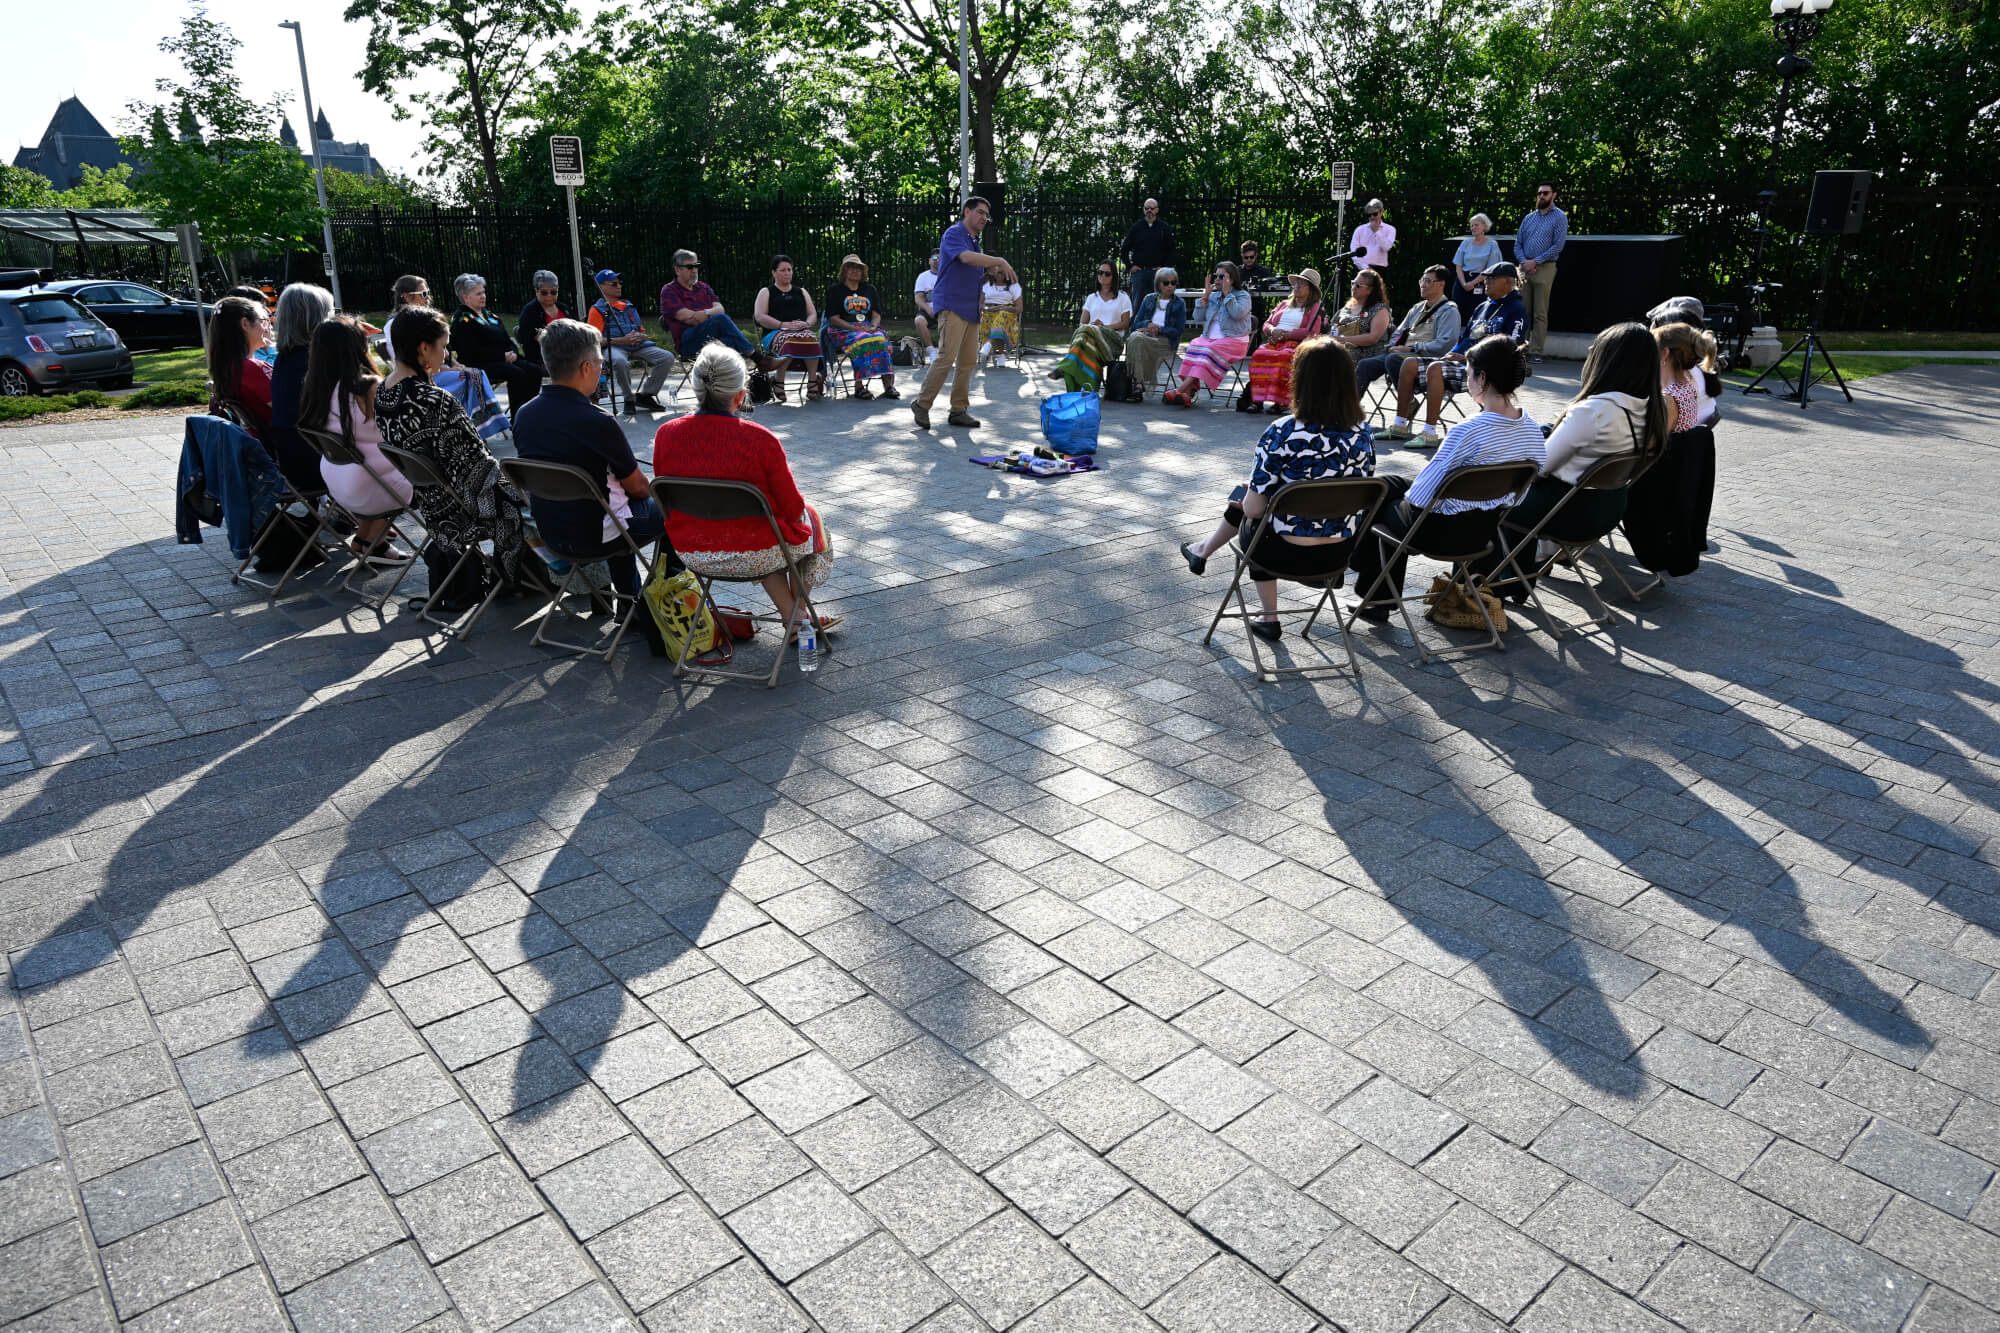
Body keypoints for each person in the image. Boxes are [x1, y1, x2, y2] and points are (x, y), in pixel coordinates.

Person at [1178, 337, 1376, 642]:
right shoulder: (1363, 433)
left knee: (1251, 508)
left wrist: (1260, 496)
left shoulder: (1283, 431)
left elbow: (1255, 510)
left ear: (1301, 380)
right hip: (1338, 555)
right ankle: (1202, 550)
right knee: (1260, 501)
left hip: (1282, 552)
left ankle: (1269, 616)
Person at [1350, 335, 1545, 621]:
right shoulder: (1531, 430)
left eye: (1468, 372)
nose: (1466, 378)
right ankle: (1372, 591)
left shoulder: (1469, 430)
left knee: (1381, 498)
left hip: (1439, 533)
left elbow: (1418, 497)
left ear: (1482, 377)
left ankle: (1373, 590)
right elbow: (1521, 495)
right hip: (1484, 528)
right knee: (1390, 484)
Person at [653, 344, 837, 637]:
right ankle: (800, 617)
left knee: (762, 529)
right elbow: (792, 508)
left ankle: (795, 619)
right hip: (755, 550)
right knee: (810, 520)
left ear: (695, 387)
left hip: (693, 550)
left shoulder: (666, 434)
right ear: (740, 395)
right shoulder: (759, 439)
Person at [513, 318, 669, 655]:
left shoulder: (525, 414)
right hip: (596, 534)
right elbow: (640, 488)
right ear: (586, 367)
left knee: (614, 508)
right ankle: (663, 599)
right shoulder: (597, 420)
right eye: (600, 363)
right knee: (670, 507)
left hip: (551, 532)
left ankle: (629, 605)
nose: (601, 369)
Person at [375, 305, 548, 609]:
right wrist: (525, 485)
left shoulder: (383, 394)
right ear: (423, 348)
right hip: (461, 507)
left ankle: (519, 580)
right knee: (536, 496)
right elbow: (479, 466)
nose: (446, 354)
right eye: (443, 347)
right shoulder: (435, 400)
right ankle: (512, 581)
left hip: (433, 505)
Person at [1479, 321, 1665, 600]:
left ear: (1611, 361)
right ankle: (1514, 579)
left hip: (1568, 513)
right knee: (1523, 481)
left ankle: (1480, 586)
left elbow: (1539, 468)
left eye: (1598, 347)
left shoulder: (1595, 411)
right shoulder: (1654, 408)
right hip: (1609, 508)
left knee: (1485, 497)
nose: (1590, 349)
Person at [298, 315, 414, 567]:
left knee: (381, 469)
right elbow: (398, 430)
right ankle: (377, 545)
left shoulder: (315, 384)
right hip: (374, 482)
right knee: (422, 472)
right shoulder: (367, 386)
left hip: (337, 480)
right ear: (355, 347)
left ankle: (364, 540)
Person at [1381, 262, 1527, 443]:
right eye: (1486, 278)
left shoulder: (1516, 310)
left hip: (1485, 370)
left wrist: (1468, 357)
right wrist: (1452, 354)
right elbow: (1464, 339)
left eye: (1491, 278)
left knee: (1436, 368)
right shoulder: (1482, 307)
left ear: (1508, 281)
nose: (1485, 282)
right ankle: (1400, 425)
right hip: (1462, 362)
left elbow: (1510, 349)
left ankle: (1429, 433)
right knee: (1408, 363)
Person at [913, 195, 1018, 431]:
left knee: (968, 361)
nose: (984, 218)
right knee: (946, 357)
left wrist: (987, 276)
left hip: (970, 309)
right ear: (966, 211)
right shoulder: (954, 234)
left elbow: (970, 268)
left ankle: (958, 410)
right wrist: (999, 260)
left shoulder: (973, 241)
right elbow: (965, 258)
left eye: (986, 215)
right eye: (980, 212)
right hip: (952, 305)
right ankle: (921, 404)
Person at [267, 282, 335, 492]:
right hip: (322, 463)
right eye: (330, 314)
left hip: (292, 461)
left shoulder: (284, 360)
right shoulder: (316, 362)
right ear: (317, 319)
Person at [1357, 265, 1462, 396]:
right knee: (1365, 365)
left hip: (1427, 359)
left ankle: (1408, 402)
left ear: (1441, 285)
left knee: (1393, 359)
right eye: (1422, 280)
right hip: (1401, 354)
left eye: (1428, 281)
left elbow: (1446, 343)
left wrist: (1412, 349)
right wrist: (1393, 346)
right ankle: (1350, 411)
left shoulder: (1449, 310)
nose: (1423, 285)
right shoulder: (1417, 308)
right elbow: (1398, 332)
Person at [449, 273, 543, 417]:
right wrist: (502, 356)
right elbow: (471, 351)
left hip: (503, 360)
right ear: (466, 297)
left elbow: (507, 340)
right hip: (479, 364)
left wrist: (513, 353)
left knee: (534, 370)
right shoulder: (462, 319)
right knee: (516, 374)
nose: (483, 296)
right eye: (478, 293)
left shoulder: (490, 316)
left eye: (483, 292)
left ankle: (530, 413)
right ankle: (518, 417)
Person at [1163, 261, 1253, 407]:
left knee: (1207, 350)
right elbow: (1197, 318)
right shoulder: (1213, 296)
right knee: (1193, 345)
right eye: (1215, 276)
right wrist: (1206, 295)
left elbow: (1237, 313)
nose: (1217, 279)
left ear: (1232, 279)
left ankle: (1179, 390)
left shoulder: (1243, 296)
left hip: (1234, 340)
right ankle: (1187, 393)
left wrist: (1227, 294)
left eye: (1221, 276)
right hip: (1210, 339)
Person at [659, 249, 767, 369]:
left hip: (712, 340)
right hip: (688, 344)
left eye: (696, 266)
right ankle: (758, 359)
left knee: (731, 340)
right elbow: (691, 319)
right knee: (721, 320)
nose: (694, 270)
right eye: (689, 267)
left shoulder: (703, 287)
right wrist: (711, 316)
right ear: (677, 269)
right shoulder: (669, 291)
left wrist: (705, 313)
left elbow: (720, 309)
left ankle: (746, 382)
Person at [587, 269, 676, 411]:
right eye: (614, 284)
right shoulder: (597, 310)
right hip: (615, 347)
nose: (619, 286)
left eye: (620, 283)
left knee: (667, 357)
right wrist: (621, 340)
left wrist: (641, 336)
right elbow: (594, 340)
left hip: (637, 345)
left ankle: (646, 395)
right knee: (620, 361)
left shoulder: (628, 306)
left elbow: (642, 331)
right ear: (601, 287)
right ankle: (629, 399)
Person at [1243, 268, 1326, 413]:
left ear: (1311, 289)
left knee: (1283, 358)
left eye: (1301, 284)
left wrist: (1287, 335)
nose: (1297, 287)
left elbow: (1312, 332)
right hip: (1275, 341)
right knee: (1258, 355)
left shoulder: (1314, 307)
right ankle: (1257, 400)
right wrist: (1273, 331)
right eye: (1296, 283)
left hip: (1296, 344)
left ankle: (1280, 402)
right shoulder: (1283, 304)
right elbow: (1266, 324)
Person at [823, 255, 898, 399]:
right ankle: (859, 386)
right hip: (842, 329)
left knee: (880, 338)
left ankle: (888, 384)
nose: (855, 271)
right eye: (850, 267)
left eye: (858, 268)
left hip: (867, 327)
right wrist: (856, 329)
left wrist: (873, 326)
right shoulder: (835, 290)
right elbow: (833, 318)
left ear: (863, 272)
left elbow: (876, 314)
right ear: (844, 271)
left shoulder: (869, 289)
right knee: (862, 339)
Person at [753, 254, 824, 402]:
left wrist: (806, 324)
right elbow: (759, 316)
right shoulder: (766, 292)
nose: (787, 273)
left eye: (789, 270)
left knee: (811, 338)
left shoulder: (801, 292)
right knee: (789, 340)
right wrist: (782, 325)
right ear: (774, 272)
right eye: (782, 270)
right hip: (773, 333)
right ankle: (778, 381)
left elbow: (812, 314)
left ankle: (812, 381)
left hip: (801, 331)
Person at [1053, 262, 1132, 393]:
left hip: (1113, 341)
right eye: (1100, 273)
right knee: (1086, 331)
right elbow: (1082, 324)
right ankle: (1085, 388)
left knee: (1089, 330)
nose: (1103, 276)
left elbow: (1125, 323)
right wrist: (1094, 327)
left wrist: (1103, 327)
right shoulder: (1091, 298)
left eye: (1107, 274)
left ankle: (1065, 367)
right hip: (1092, 342)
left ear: (1114, 277)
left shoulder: (1122, 297)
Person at [208, 296, 273, 439]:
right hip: (284, 443)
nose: (269, 326)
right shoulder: (250, 368)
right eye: (264, 321)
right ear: (245, 324)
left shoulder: (230, 366)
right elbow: (288, 406)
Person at [1516, 182, 1567, 360]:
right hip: (1524, 269)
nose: (1541, 196)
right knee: (1522, 311)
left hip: (1545, 268)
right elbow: (1518, 244)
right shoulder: (1529, 218)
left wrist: (1536, 261)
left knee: (1540, 312)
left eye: (1545, 193)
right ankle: (1521, 349)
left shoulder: (1560, 217)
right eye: (1539, 193)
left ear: (1554, 195)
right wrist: (1524, 261)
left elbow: (1557, 246)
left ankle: (1536, 351)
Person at [1122, 269, 1186, 403]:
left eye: (1173, 283)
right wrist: (1148, 324)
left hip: (1165, 342)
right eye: (1166, 283)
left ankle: (1136, 383)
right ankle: (1139, 384)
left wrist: (1160, 329)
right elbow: (1135, 323)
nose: (1170, 286)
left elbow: (1178, 331)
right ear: (1158, 284)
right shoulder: (1148, 299)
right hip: (1145, 338)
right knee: (1136, 338)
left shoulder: (1179, 303)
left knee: (1134, 339)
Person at [1654, 321, 1714, 435]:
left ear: (1664, 354)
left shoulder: (1668, 400)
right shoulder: (1687, 388)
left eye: (1653, 348)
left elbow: (1650, 446)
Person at [1120, 197, 1176, 309]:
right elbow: (1124, 249)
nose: (1149, 210)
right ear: (1144, 210)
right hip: (1140, 273)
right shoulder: (1136, 227)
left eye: (1152, 208)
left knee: (1159, 303)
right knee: (1137, 303)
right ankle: (1136, 326)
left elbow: (1172, 250)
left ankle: (1158, 326)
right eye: (1146, 208)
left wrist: (1164, 267)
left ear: (1157, 210)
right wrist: (1130, 266)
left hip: (1158, 274)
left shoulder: (1164, 228)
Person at [1330, 267, 1391, 357]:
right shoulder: (1346, 309)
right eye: (1353, 283)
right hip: (1340, 354)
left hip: (1366, 359)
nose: (1353, 287)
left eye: (1358, 285)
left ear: (1370, 290)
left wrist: (1342, 339)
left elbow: (1372, 338)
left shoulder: (1380, 309)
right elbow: (1332, 328)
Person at [517, 270, 571, 363]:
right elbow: (543, 339)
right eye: (544, 292)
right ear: (536, 291)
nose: (549, 296)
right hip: (544, 360)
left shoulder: (564, 309)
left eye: (553, 292)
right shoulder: (530, 312)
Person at [1452, 214, 1499, 320]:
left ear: (1484, 226)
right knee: (1457, 312)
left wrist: (1472, 283)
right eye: (1471, 225)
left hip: (1481, 281)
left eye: (1476, 225)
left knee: (1477, 314)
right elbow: (1458, 265)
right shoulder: (1465, 243)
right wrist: (1464, 283)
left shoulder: (1492, 244)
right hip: (1462, 280)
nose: (1473, 228)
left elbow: (1490, 269)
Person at [978, 272, 1024, 368]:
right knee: (997, 321)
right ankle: (1001, 354)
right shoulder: (987, 285)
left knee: (1001, 315)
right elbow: (980, 305)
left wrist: (1004, 308)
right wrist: (988, 309)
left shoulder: (1014, 286)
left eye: (1002, 273)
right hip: (989, 313)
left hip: (1007, 314)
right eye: (997, 273)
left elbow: (1019, 308)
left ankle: (989, 344)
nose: (1000, 275)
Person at [382, 275, 432, 357]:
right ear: (407, 297)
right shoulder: (394, 324)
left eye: (428, 292)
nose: (428, 297)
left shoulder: (426, 318)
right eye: (423, 294)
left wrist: (455, 364)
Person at [1349, 199, 1397, 276]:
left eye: (1375, 214)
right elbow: (1354, 251)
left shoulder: (1390, 229)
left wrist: (1377, 232)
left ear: (1381, 212)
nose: (1372, 217)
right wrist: (1365, 268)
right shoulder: (1360, 230)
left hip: (1381, 270)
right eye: (1369, 215)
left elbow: (1387, 247)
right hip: (1362, 270)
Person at [912, 252, 940, 365]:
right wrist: (928, 309)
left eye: (940, 258)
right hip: (928, 310)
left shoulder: (949, 276)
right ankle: (931, 351)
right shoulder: (923, 277)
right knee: (919, 321)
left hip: (945, 311)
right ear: (929, 260)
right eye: (934, 257)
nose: (936, 260)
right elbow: (918, 298)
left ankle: (946, 352)